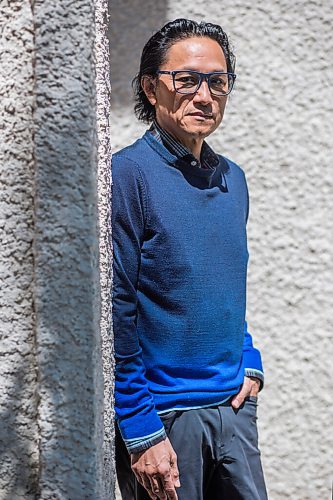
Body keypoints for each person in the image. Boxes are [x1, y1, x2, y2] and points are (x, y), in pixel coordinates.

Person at [112, 18, 267, 500]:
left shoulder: (232, 179)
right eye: (187, 80)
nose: (204, 96)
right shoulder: (127, 175)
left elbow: (223, 286)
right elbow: (116, 307)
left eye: (217, 82)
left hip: (233, 412)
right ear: (150, 88)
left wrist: (249, 359)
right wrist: (140, 427)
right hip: (164, 418)